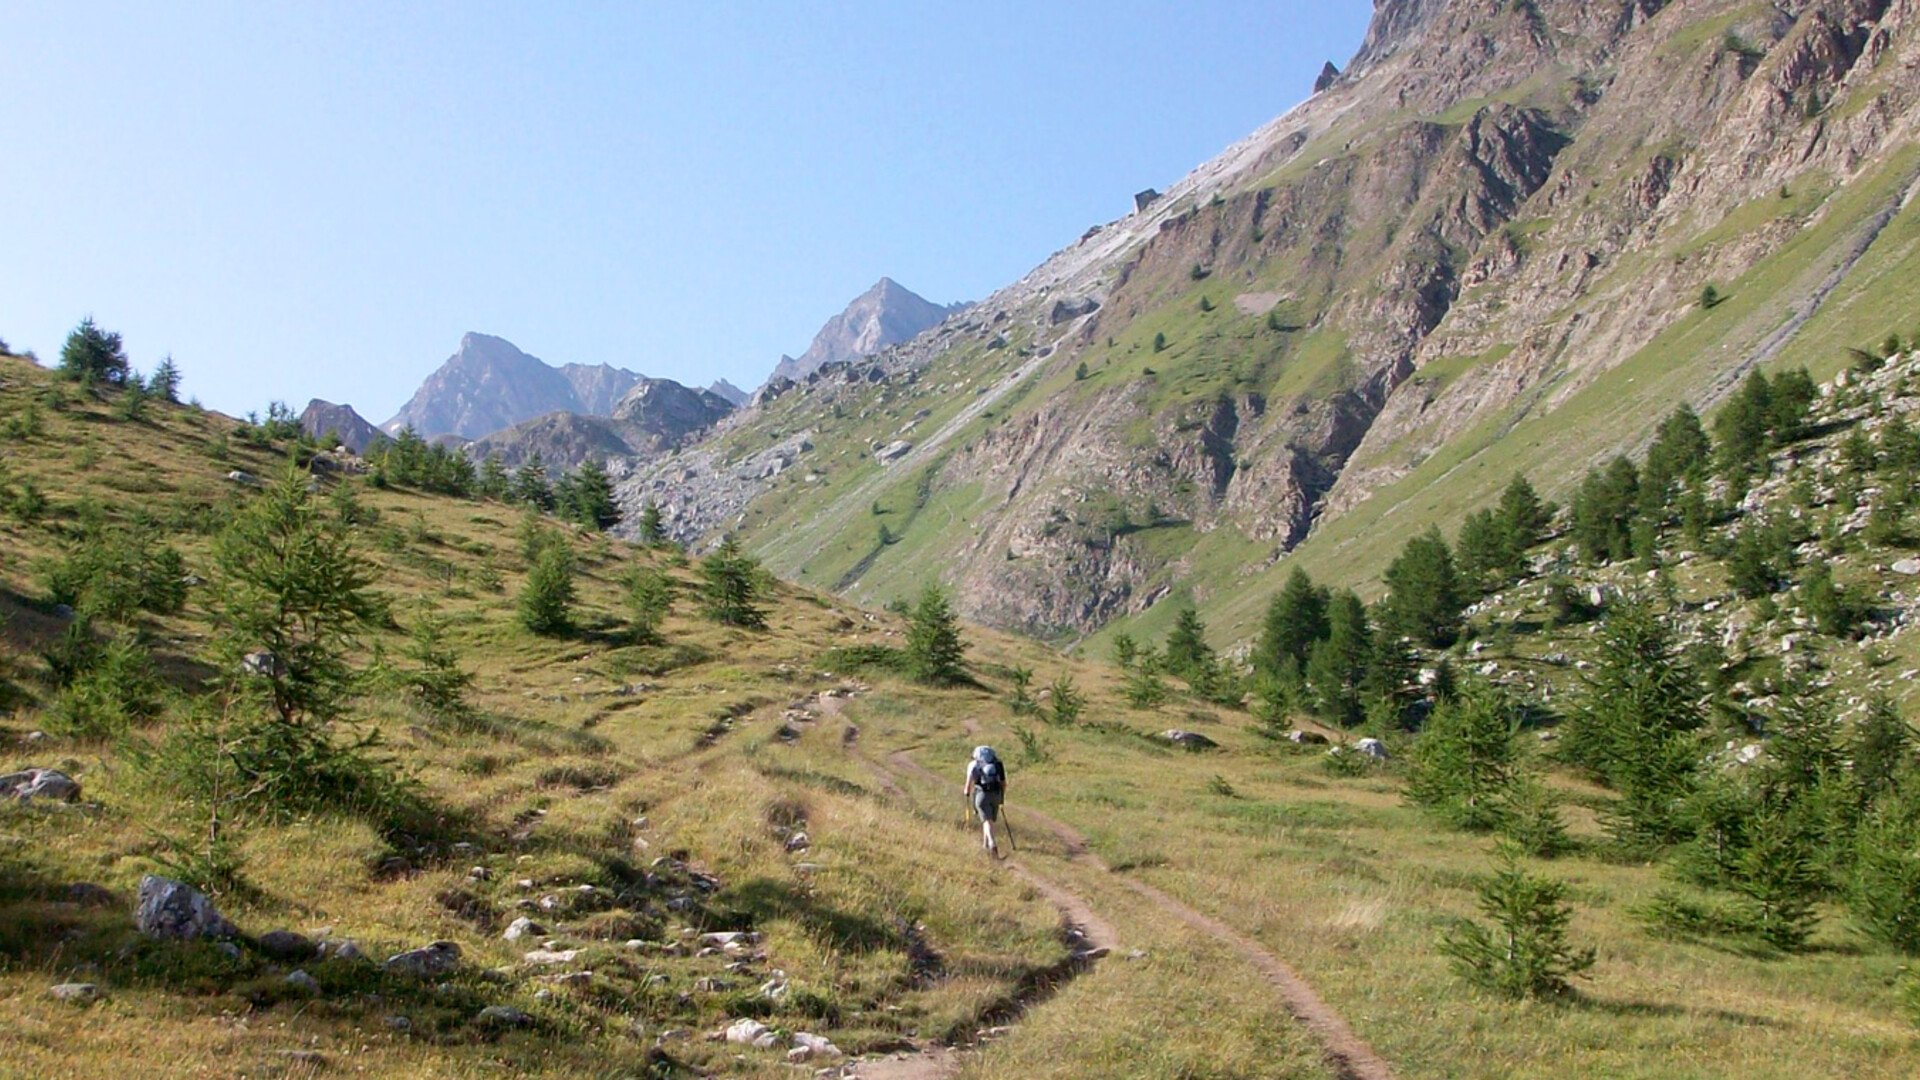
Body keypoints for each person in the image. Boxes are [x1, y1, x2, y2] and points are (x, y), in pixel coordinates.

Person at [962, 745, 1006, 853]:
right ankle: (985, 845)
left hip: (981, 795)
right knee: (989, 820)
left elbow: (967, 787)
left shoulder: (973, 765)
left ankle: (992, 843)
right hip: (996, 794)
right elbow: (1003, 783)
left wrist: (967, 793)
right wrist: (1001, 797)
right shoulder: (998, 764)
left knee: (986, 821)